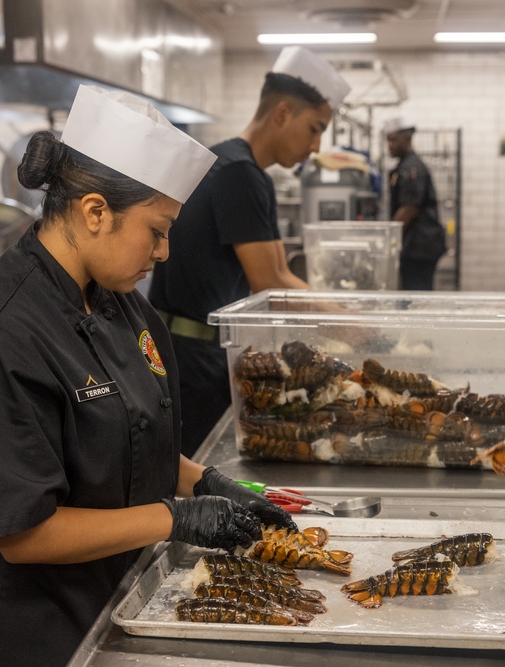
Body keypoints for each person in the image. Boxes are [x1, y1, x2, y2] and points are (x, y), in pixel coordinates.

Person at [0, 85, 295, 667]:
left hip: (103, 600)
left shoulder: (121, 304)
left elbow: (127, 439)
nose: (164, 252)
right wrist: (177, 518)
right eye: (157, 229)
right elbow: (24, 534)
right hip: (17, 631)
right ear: (95, 212)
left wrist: (207, 483)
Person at [149, 46, 351, 457]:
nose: (315, 146)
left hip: (198, 350)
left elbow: (278, 271)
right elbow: (271, 282)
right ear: (281, 114)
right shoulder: (238, 173)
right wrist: (351, 327)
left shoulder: (239, 167)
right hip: (194, 357)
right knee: (199, 474)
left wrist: (342, 317)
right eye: (314, 128)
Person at [384, 116, 446, 290]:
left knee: (415, 294)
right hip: (417, 246)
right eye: (388, 140)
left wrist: (388, 237)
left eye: (393, 140)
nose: (389, 145)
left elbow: (409, 208)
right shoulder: (405, 165)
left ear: (408, 138)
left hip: (420, 247)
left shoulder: (412, 168)